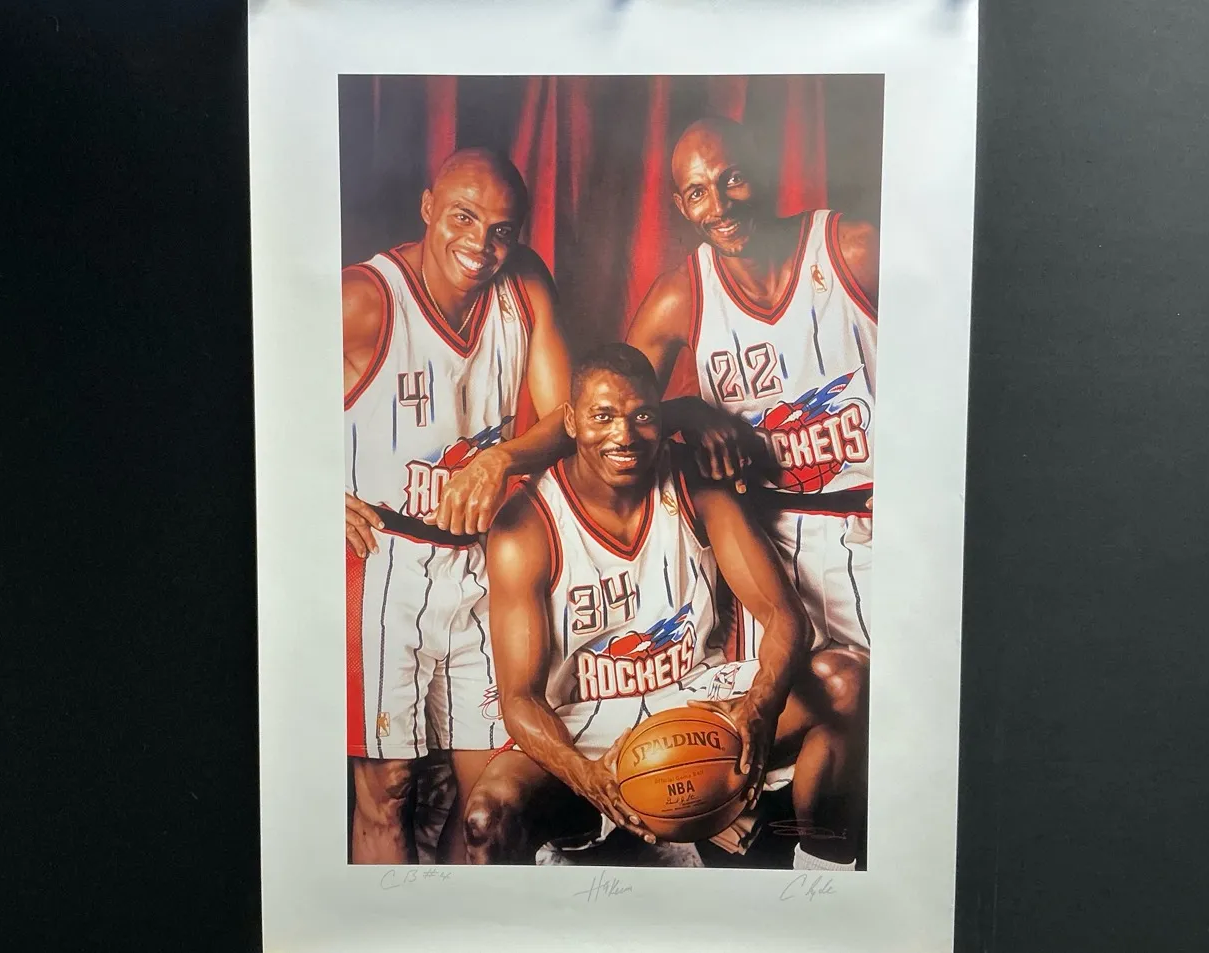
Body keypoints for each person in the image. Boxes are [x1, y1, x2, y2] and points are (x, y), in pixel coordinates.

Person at [464, 344, 866, 869]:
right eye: (602, 416)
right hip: (587, 724)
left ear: (662, 417)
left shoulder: (695, 485)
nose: (624, 436)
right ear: (571, 422)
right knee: (489, 820)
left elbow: (783, 616)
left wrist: (761, 707)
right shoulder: (527, 526)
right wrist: (587, 778)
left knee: (846, 682)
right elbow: (520, 699)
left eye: (642, 416)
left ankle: (822, 881)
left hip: (697, 701)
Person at [342, 147, 572, 863]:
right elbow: (254, 397)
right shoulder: (364, 299)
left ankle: (455, 916)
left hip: (481, 562)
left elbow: (566, 418)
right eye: (463, 218)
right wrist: (306, 489)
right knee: (389, 788)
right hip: (383, 563)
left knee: (488, 802)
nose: (480, 243)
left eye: (501, 230)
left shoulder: (523, 283)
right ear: (427, 208)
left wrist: (502, 458)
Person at [625, 115, 879, 660]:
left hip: (873, 528)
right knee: (795, 700)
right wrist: (686, 412)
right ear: (681, 206)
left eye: (733, 179)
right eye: (698, 193)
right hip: (768, 549)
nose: (719, 207)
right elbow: (610, 412)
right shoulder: (681, 297)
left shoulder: (853, 251)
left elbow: (952, 371)